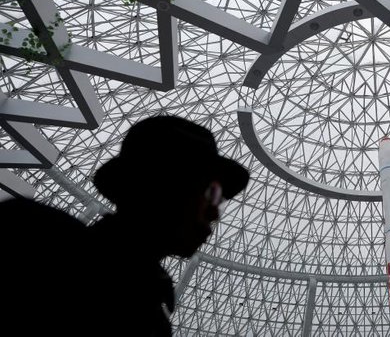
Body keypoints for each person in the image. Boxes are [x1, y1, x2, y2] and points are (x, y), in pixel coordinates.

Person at [0, 115, 249, 336]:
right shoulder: (38, 242)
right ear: (165, 188)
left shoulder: (145, 291)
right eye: (212, 193)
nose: (215, 212)